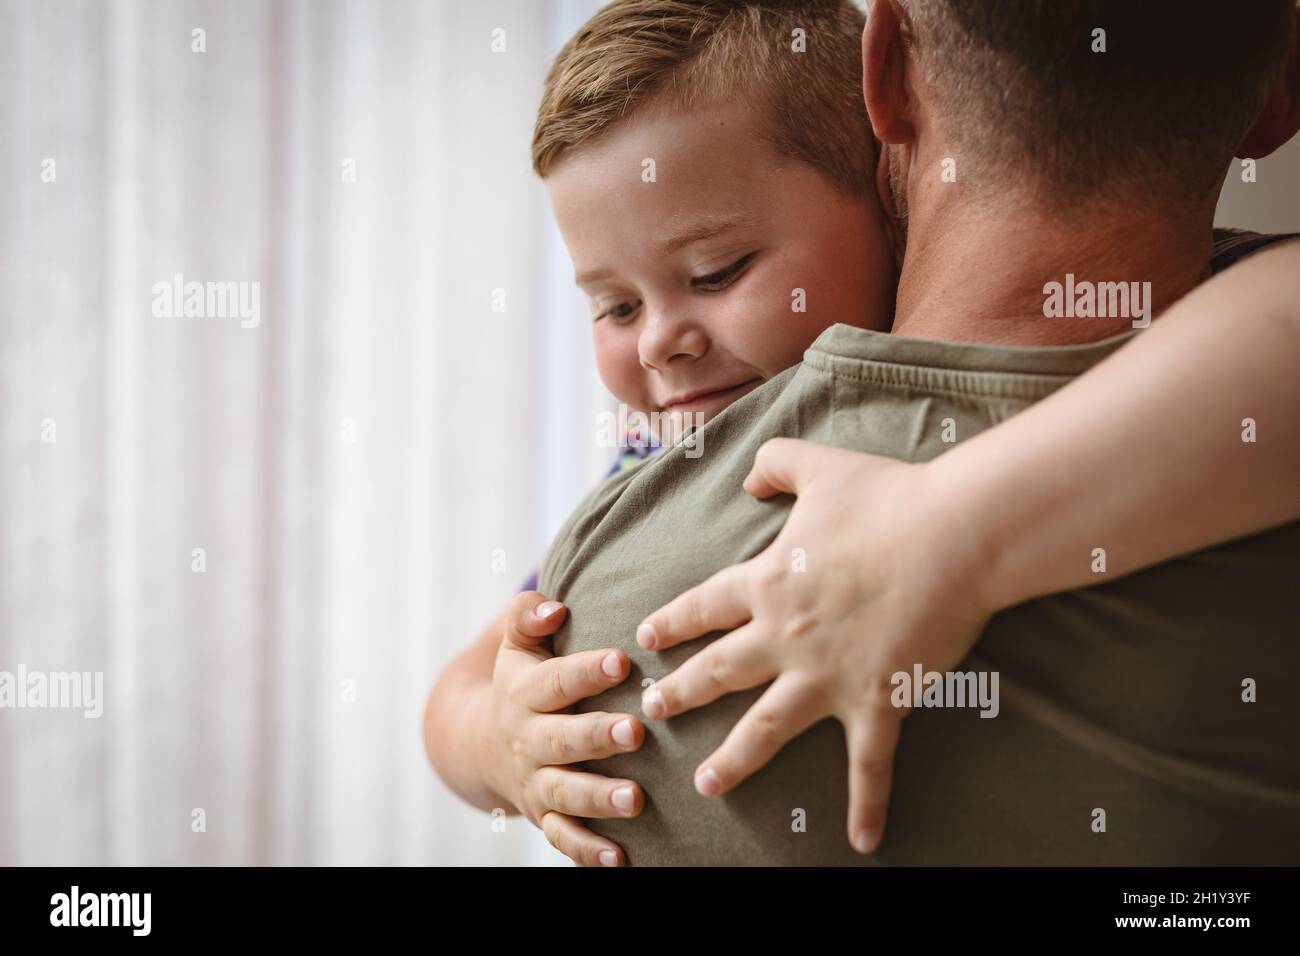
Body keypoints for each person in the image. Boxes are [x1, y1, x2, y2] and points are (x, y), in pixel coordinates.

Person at [424, 0, 1300, 865]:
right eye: (613, 306)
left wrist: (947, 526)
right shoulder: (651, 464)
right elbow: (463, 687)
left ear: (884, 144)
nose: (659, 339)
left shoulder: (1221, 313)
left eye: (719, 271)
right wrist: (499, 740)